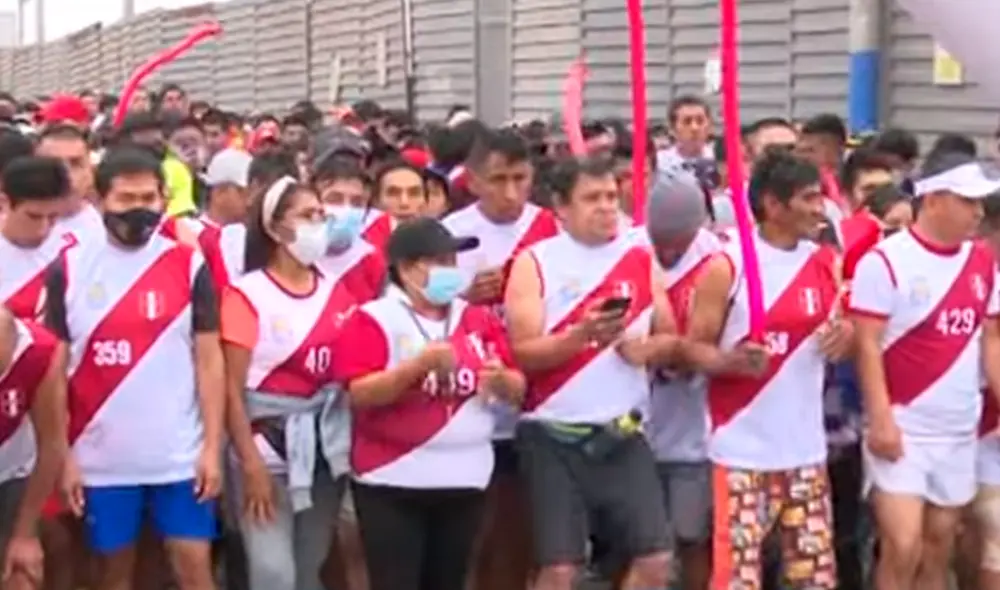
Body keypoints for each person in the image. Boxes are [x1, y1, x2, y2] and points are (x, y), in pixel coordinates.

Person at [42, 148, 224, 590]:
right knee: (112, 574)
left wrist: (212, 449)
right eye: (126, 199)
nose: (139, 209)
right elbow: (53, 373)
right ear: (100, 199)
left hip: (180, 457)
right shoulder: (68, 267)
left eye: (149, 197)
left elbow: (209, 359)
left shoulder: (189, 263)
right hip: (100, 460)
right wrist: (63, 460)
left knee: (194, 567)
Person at [505, 156, 680, 590]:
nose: (606, 207)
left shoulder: (639, 257)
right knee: (560, 567)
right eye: (591, 198)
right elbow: (523, 352)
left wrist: (646, 350)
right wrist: (579, 336)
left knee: (656, 558)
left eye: (610, 196)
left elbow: (671, 337)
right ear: (561, 207)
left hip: (623, 430)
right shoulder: (534, 262)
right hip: (551, 431)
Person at [683, 149, 851, 590]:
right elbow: (690, 349)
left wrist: (844, 339)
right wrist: (727, 361)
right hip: (740, 452)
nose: (821, 209)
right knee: (737, 580)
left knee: (812, 579)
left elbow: (842, 332)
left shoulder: (825, 262)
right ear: (773, 206)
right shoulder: (728, 265)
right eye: (809, 199)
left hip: (806, 453)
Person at [332, 217, 527, 590]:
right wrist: (414, 370)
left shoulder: (477, 319)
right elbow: (358, 393)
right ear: (406, 269)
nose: (450, 271)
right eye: (438, 262)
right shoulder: (374, 318)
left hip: (465, 479)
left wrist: (503, 381)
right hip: (393, 480)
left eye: (452, 262)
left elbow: (519, 387)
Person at [850, 151, 1000, 590]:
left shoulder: (982, 263)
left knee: (939, 546)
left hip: (957, 426)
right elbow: (866, 344)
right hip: (903, 426)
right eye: (967, 202)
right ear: (933, 200)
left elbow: (991, 339)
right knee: (903, 543)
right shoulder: (885, 261)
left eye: (980, 204)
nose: (978, 213)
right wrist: (880, 420)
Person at [220, 175, 352, 590]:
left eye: (321, 215)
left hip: (323, 450)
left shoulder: (338, 292)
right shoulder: (247, 295)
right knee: (274, 572)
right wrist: (250, 463)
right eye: (306, 216)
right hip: (266, 445)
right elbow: (231, 389)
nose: (318, 225)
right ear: (276, 229)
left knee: (308, 565)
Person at [442, 128, 559, 590]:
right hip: (468, 411)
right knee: (471, 539)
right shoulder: (451, 233)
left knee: (519, 538)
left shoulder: (551, 227)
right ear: (472, 180)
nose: (511, 192)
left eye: (520, 178)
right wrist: (465, 295)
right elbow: (419, 314)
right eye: (498, 180)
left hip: (532, 405)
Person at [640, 169, 722, 590]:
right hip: (634, 429)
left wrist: (677, 353)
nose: (669, 249)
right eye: (661, 240)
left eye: (679, 240)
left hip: (694, 430)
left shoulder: (720, 261)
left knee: (693, 537)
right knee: (638, 545)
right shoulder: (631, 249)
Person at [0, 308, 67, 590]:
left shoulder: (39, 352)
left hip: (15, 472)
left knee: (20, 573)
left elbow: (52, 442)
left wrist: (25, 534)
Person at [0, 156, 74, 319]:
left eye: (53, 217)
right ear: (4, 202)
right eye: (33, 217)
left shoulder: (74, 253)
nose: (43, 229)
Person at [36, 125, 103, 242]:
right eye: (53, 165)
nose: (67, 176)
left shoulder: (113, 234)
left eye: (76, 164)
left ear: (91, 170)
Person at [362, 161, 428, 251]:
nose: (404, 203)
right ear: (376, 201)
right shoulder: (363, 249)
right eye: (393, 193)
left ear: (425, 200)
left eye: (414, 193)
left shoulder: (444, 244)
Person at [656, 95, 713, 172]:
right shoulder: (659, 164)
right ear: (672, 129)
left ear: (709, 126)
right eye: (687, 121)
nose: (694, 128)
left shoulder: (721, 161)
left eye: (700, 121)